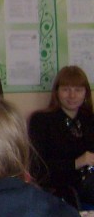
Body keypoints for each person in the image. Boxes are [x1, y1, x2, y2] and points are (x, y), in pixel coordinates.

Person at [28, 65, 94, 198]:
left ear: (85, 93)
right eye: (66, 89)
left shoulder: (89, 119)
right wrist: (76, 163)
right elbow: (37, 167)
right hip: (61, 189)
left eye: (78, 90)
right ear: (56, 92)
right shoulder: (41, 120)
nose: (72, 95)